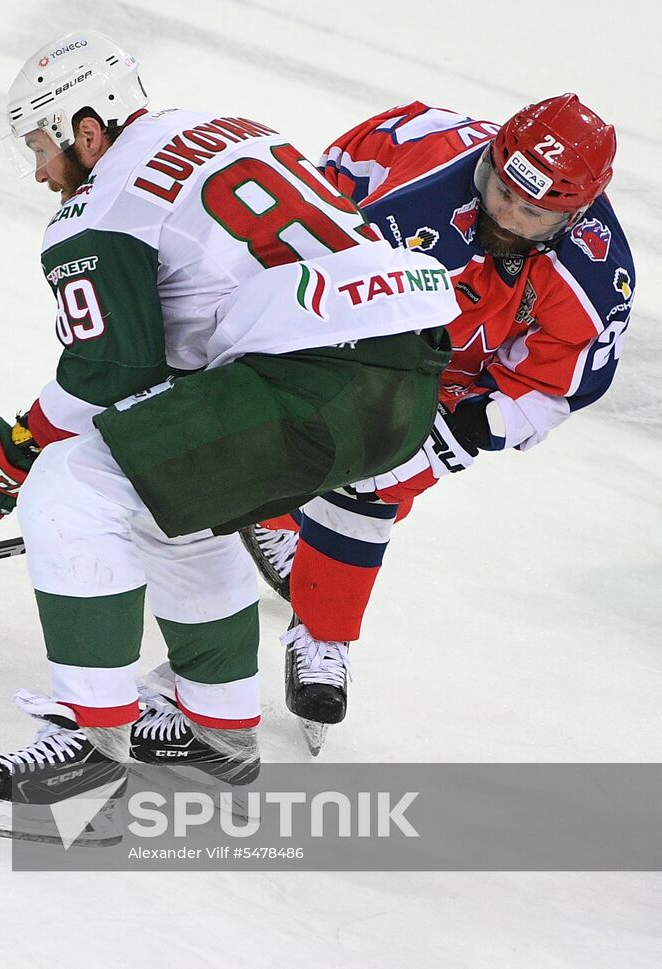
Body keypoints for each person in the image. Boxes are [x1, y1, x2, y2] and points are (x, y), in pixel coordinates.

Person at [0, 31, 460, 843]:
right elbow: (162, 375)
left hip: (309, 385)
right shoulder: (226, 128)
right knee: (170, 490)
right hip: (407, 386)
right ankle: (215, 736)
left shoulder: (98, 208)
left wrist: (10, 448)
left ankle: (90, 755)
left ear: (86, 128)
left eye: (42, 145)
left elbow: (110, 371)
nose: (39, 171)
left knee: (70, 482)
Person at [238, 95, 633, 750]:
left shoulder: (595, 277)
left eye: (530, 211)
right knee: (301, 422)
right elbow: (305, 218)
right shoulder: (408, 180)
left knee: (378, 480)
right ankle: (277, 516)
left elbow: (551, 388)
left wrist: (485, 422)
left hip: (464, 376)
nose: (503, 213)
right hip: (352, 311)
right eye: (500, 188)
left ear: (573, 215)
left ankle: (320, 631)